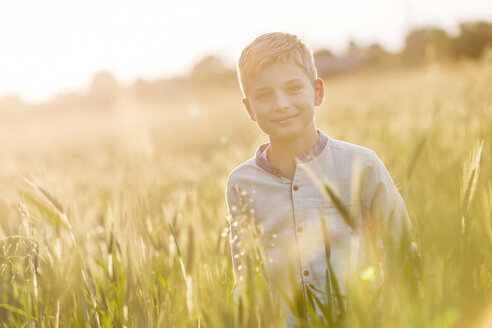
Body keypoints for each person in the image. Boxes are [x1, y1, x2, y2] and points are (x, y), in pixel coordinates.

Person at [225, 32, 411, 326]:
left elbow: (402, 250)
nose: (281, 104)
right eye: (264, 95)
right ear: (249, 109)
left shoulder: (362, 165)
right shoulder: (241, 183)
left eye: (293, 88)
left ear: (317, 92)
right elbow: (247, 277)